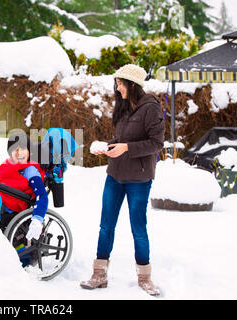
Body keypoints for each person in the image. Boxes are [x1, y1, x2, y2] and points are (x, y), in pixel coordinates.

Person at [80, 64, 165, 296]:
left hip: (138, 179)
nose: (117, 88)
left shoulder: (151, 108)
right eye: (116, 83)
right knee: (106, 225)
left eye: (120, 83)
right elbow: (121, 140)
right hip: (115, 176)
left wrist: (126, 148)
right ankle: (99, 274)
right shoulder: (124, 107)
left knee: (138, 228)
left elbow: (157, 143)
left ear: (133, 84)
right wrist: (107, 147)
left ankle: (145, 277)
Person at [0, 133, 49, 248]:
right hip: (0, 204)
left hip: (13, 211)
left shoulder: (30, 170)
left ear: (30, 151)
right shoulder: (7, 165)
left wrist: (37, 218)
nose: (19, 153)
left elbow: (42, 195)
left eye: (23, 149)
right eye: (15, 149)